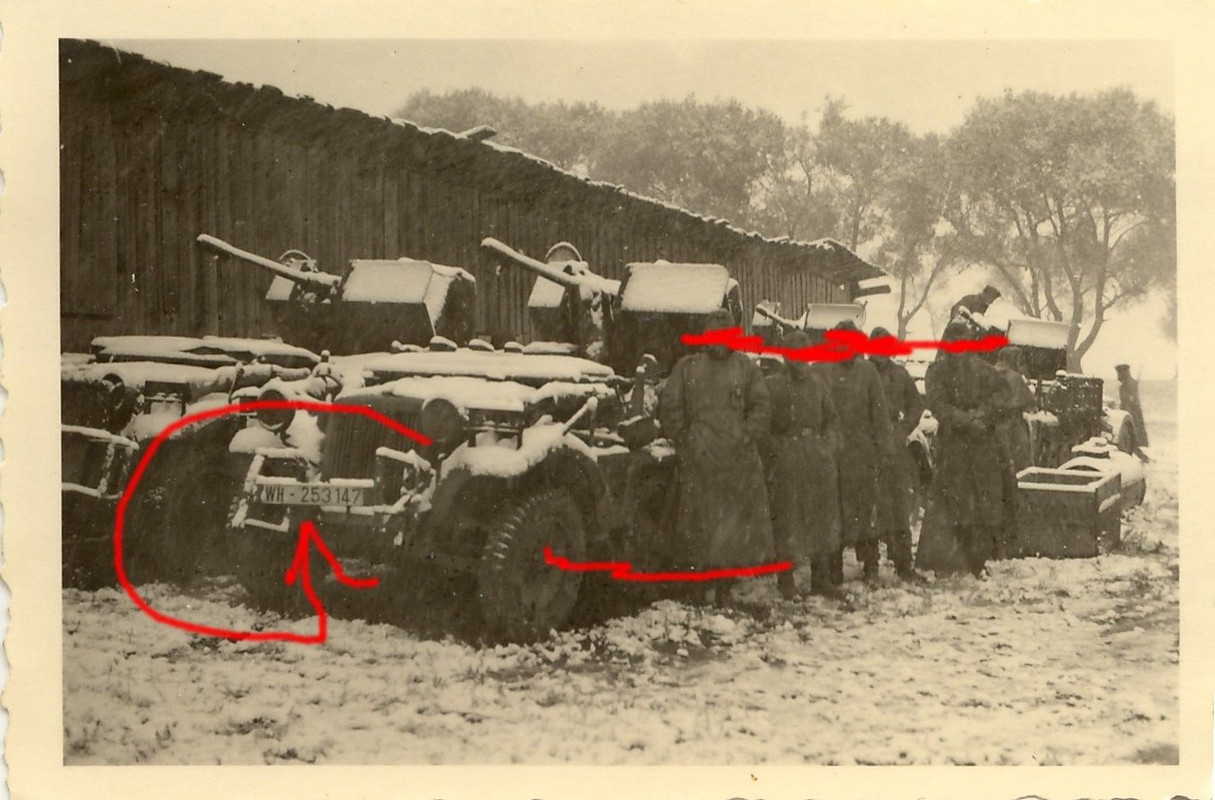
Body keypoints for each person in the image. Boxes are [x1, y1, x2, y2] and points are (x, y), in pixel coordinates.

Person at [658, 308, 775, 604]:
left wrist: (746, 434)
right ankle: (698, 587)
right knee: (696, 524)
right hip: (699, 458)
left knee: (732, 527)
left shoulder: (746, 369)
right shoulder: (687, 367)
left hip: (736, 461)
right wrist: (684, 438)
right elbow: (671, 406)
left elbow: (761, 405)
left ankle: (724, 586)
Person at [916, 321, 1008, 579]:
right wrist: (968, 420)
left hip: (980, 446)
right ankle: (944, 561)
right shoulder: (938, 372)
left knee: (980, 502)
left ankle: (976, 560)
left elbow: (1003, 395)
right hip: (953, 445)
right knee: (949, 502)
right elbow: (938, 405)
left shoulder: (984, 370)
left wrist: (983, 415)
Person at [765, 330, 843, 599]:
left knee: (820, 518)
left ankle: (819, 579)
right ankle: (785, 581)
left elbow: (832, 418)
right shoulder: (773, 385)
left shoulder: (818, 384)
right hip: (788, 460)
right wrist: (779, 449)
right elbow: (763, 427)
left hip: (817, 459)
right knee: (788, 520)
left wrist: (828, 445)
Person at [820, 320, 892, 586]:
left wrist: (884, 449)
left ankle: (871, 564)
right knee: (833, 511)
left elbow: (880, 414)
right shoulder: (824, 370)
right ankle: (833, 568)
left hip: (862, 454)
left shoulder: (868, 371)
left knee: (866, 511)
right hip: (834, 454)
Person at [868, 326, 924, 582]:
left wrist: (902, 428)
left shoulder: (900, 375)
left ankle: (903, 562)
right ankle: (870, 564)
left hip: (893, 440)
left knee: (899, 502)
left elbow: (915, 405)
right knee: (869, 505)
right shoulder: (862, 372)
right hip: (868, 444)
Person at [991, 346, 1035, 559]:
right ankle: (1012, 537)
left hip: (992, 432)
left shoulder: (989, 373)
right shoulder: (1016, 378)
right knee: (1017, 479)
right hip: (1012, 431)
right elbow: (1028, 402)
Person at [1115, 364, 1151, 457]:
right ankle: (1140, 456)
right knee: (1133, 438)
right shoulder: (1128, 384)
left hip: (1132, 414)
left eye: (1119, 373)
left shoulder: (1129, 385)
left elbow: (1130, 401)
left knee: (1132, 438)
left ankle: (1140, 456)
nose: (1118, 376)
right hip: (1131, 413)